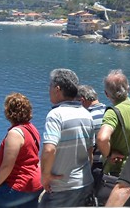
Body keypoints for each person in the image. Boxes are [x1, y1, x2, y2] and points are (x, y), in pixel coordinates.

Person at [0, 93, 43, 208]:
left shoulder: (15, 134)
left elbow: (7, 165)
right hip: (35, 183)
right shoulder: (31, 128)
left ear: (9, 112)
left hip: (21, 185)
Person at [40, 68, 94, 207]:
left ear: (57, 89)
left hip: (62, 187)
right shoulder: (86, 114)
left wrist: (45, 176)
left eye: (50, 86)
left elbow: (49, 150)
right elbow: (90, 152)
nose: (49, 90)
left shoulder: (56, 115)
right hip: (84, 182)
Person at [96, 70, 130, 177]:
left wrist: (109, 154)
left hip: (118, 171)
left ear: (106, 94)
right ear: (128, 88)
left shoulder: (112, 113)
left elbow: (102, 138)